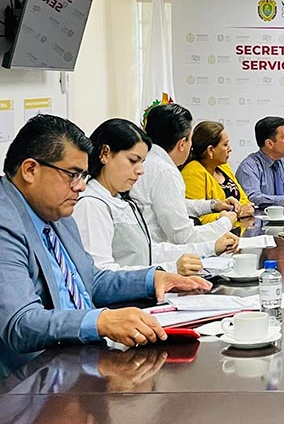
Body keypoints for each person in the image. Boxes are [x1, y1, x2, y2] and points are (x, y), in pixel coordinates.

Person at [0, 114, 211, 357]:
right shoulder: (6, 222)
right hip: (39, 370)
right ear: (30, 170)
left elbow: (90, 280)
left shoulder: (56, 211)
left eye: (83, 175)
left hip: (82, 353)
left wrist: (152, 279)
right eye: (73, 174)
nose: (81, 186)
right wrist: (101, 321)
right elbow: (20, 324)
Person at [72, 119, 239, 276]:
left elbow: (149, 252)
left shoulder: (121, 201)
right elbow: (100, 275)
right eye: (133, 160)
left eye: (142, 162)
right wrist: (170, 269)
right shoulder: (91, 204)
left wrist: (210, 247)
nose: (140, 170)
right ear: (105, 154)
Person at [130, 104, 239, 244]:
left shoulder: (147, 161)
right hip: (158, 252)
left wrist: (212, 205)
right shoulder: (165, 171)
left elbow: (171, 204)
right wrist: (225, 222)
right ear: (182, 144)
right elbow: (184, 237)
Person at [181, 121, 255, 225]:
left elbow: (244, 200)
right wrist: (234, 214)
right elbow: (196, 218)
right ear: (210, 150)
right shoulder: (193, 172)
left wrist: (243, 209)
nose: (230, 149)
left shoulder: (224, 167)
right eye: (225, 145)